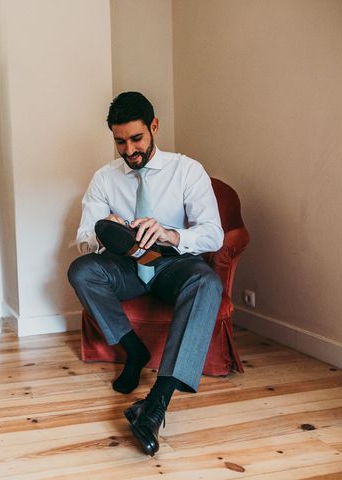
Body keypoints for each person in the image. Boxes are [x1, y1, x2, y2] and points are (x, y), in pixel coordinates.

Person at [67, 91, 224, 456]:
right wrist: (104, 229)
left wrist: (171, 234)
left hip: (172, 263)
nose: (129, 149)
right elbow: (82, 239)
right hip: (126, 265)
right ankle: (133, 351)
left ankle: (155, 403)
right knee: (82, 271)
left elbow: (213, 233)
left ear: (154, 127)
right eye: (120, 141)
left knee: (208, 281)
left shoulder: (187, 170)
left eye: (136, 139)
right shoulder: (105, 179)